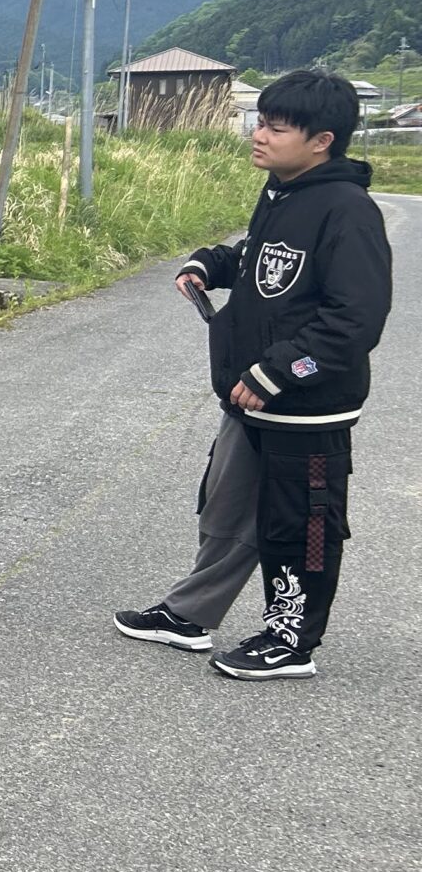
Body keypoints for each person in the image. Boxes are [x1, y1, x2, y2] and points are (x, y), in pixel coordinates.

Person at [115, 68, 390, 680]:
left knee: (304, 524)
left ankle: (291, 641)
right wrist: (211, 263)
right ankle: (190, 615)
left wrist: (279, 373)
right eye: (260, 122)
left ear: (321, 141)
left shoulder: (348, 211)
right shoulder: (282, 193)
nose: (258, 135)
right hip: (250, 394)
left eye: (275, 128)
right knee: (226, 508)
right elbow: (261, 261)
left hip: (306, 405)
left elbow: (356, 320)